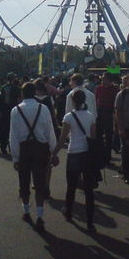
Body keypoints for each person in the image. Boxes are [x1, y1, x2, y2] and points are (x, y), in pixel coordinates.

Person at [9, 82, 56, 233]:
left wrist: (15, 158)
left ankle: (26, 211)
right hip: (40, 149)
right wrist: (53, 151)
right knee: (40, 183)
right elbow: (50, 131)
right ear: (35, 92)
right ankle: (40, 215)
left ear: (22, 94)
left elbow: (13, 137)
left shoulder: (15, 111)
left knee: (24, 181)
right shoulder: (43, 109)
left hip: (24, 149)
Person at [52, 89, 97, 231]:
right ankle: (90, 220)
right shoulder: (90, 116)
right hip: (87, 153)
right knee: (89, 189)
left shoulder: (68, 117)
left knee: (71, 186)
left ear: (72, 101)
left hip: (73, 152)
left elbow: (62, 138)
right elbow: (93, 137)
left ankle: (69, 212)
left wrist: (54, 153)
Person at [95, 72, 119, 165]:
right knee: (99, 136)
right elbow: (96, 100)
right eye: (102, 79)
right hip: (100, 114)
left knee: (109, 136)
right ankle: (100, 155)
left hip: (109, 114)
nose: (103, 80)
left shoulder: (114, 89)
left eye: (104, 79)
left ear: (109, 79)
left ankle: (108, 157)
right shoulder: (98, 88)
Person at [0, 73, 20, 154]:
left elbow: (0, 100)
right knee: (13, 130)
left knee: (4, 129)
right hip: (13, 110)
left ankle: (3, 147)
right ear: (13, 79)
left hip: (4, 111)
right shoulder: (16, 88)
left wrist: (0, 111)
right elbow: (19, 100)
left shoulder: (3, 87)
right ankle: (12, 147)